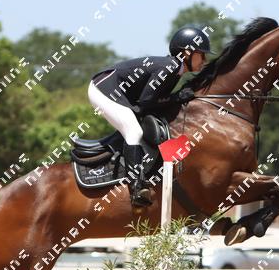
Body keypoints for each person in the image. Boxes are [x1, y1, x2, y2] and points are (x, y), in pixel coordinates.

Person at [88, 26, 211, 207]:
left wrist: (175, 97)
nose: (205, 60)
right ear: (187, 53)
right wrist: (177, 97)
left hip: (116, 90)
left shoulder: (175, 70)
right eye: (201, 54)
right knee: (133, 131)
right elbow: (146, 102)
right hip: (104, 89)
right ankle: (137, 187)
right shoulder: (170, 67)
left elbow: (149, 103)